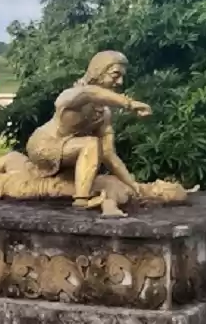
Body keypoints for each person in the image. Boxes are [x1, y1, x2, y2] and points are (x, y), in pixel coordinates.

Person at [25, 51, 152, 208]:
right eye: (115, 75)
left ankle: (81, 192)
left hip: (70, 150)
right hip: (43, 145)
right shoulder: (74, 95)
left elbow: (108, 154)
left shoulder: (104, 114)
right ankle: (82, 200)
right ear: (98, 72)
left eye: (122, 77)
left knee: (94, 145)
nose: (120, 82)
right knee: (91, 143)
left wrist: (133, 185)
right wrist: (129, 104)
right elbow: (90, 93)